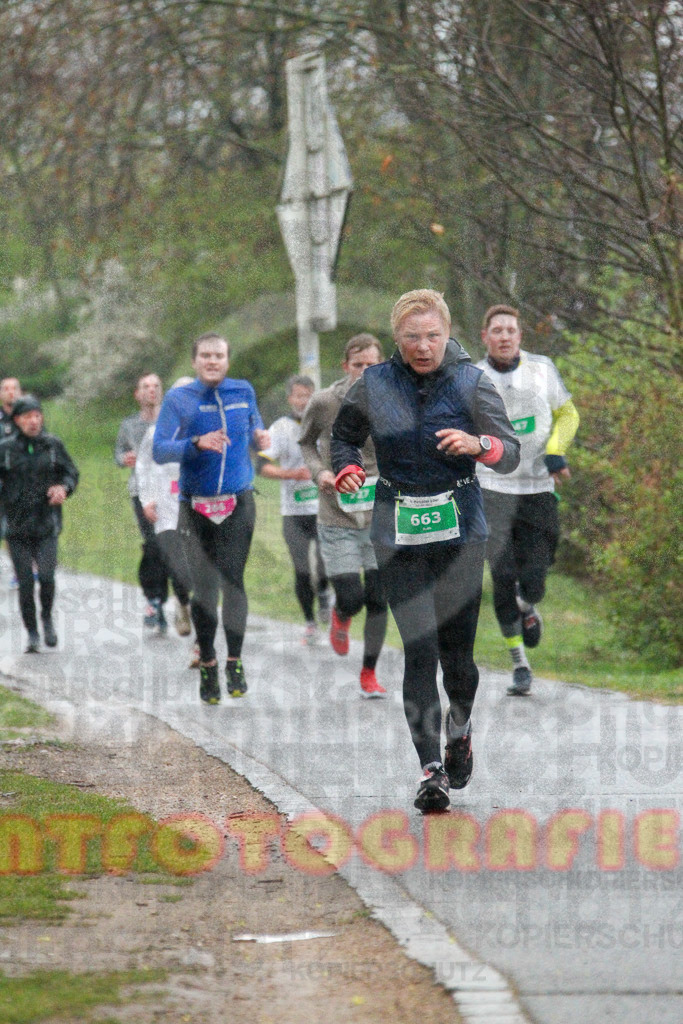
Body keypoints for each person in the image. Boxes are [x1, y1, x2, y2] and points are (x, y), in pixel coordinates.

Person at [331, 289, 519, 812]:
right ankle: (430, 770)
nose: (423, 346)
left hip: (460, 532)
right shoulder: (374, 383)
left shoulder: (470, 382)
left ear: (447, 334)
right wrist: (347, 468)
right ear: (398, 338)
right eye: (412, 337)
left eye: (432, 336)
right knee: (420, 650)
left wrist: (478, 445)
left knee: (457, 656)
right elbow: (343, 438)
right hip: (398, 532)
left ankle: (460, 726)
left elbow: (509, 453)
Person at [153, 332, 269, 704]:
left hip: (238, 500)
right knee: (205, 588)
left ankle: (234, 660)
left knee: (233, 580)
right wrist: (195, 444)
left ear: (228, 360)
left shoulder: (243, 390)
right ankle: (208, 663)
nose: (212, 361)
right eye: (205, 355)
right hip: (196, 504)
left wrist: (261, 439)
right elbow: (159, 450)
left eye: (219, 355)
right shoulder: (178, 399)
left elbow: (255, 429)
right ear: (195, 361)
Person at [476, 304, 579, 695]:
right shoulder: (474, 377)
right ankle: (519, 663)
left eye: (511, 330)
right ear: (486, 337)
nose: (504, 336)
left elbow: (568, 414)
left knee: (535, 576)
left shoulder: (542, 369)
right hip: (492, 491)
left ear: (520, 336)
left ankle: (528, 605)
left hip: (537, 488)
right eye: (497, 330)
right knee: (502, 578)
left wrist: (556, 451)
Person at [299, 334, 389, 698]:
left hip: (380, 516)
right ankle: (342, 613)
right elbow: (306, 442)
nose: (366, 372)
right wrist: (320, 472)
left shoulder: (391, 399)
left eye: (372, 365)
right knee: (352, 596)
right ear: (346, 367)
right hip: (337, 515)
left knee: (380, 599)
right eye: (358, 365)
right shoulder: (324, 402)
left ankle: (369, 673)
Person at [0, 395, 79, 652]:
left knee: (46, 577)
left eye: (37, 415)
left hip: (47, 523)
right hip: (16, 526)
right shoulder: (6, 449)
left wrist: (64, 488)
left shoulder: (53, 445)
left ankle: (46, 618)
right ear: (17, 420)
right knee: (25, 582)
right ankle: (32, 632)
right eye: (28, 417)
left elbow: (71, 473)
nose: (34, 421)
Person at [257, 375, 331, 645]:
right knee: (301, 570)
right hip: (294, 511)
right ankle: (310, 624)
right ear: (290, 398)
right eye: (298, 395)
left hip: (324, 508)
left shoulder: (326, 424)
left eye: (308, 395)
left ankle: (324, 593)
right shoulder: (281, 427)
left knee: (326, 561)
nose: (303, 401)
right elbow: (262, 467)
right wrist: (291, 474)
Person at [135, 377, 196, 658]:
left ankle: (188, 604)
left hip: (197, 509)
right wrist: (147, 499)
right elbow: (143, 467)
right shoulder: (156, 432)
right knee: (178, 567)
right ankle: (182, 603)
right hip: (166, 510)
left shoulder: (206, 429)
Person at [114, 373, 169, 632]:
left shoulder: (171, 421)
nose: (151, 390)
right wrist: (126, 457)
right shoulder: (129, 425)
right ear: (137, 394)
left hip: (170, 489)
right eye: (145, 386)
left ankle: (167, 600)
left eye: (156, 386)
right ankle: (153, 600)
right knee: (153, 543)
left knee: (168, 545)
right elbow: (118, 453)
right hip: (141, 490)